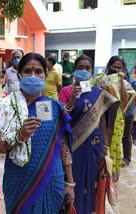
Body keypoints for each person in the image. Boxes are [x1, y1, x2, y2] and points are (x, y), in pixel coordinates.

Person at [0, 53, 74, 214]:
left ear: (45, 75)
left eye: (38, 72)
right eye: (27, 71)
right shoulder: (5, 107)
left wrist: (70, 183)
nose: (33, 76)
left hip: (51, 180)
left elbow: (64, 148)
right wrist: (20, 135)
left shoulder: (55, 108)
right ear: (19, 75)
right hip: (18, 181)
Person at [58, 54, 120, 213]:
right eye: (80, 68)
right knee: (74, 179)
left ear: (92, 71)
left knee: (92, 180)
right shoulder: (65, 91)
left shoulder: (98, 92)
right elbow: (62, 118)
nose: (84, 70)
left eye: (87, 68)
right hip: (74, 143)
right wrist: (72, 99)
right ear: (74, 71)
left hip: (95, 143)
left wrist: (105, 144)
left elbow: (103, 119)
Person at [93, 55, 136, 180]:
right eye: (114, 67)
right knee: (100, 141)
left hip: (116, 118)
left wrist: (121, 82)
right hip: (101, 116)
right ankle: (98, 171)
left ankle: (111, 176)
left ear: (123, 69)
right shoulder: (101, 80)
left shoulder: (126, 83)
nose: (116, 70)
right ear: (108, 67)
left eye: (119, 68)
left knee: (115, 142)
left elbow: (124, 100)